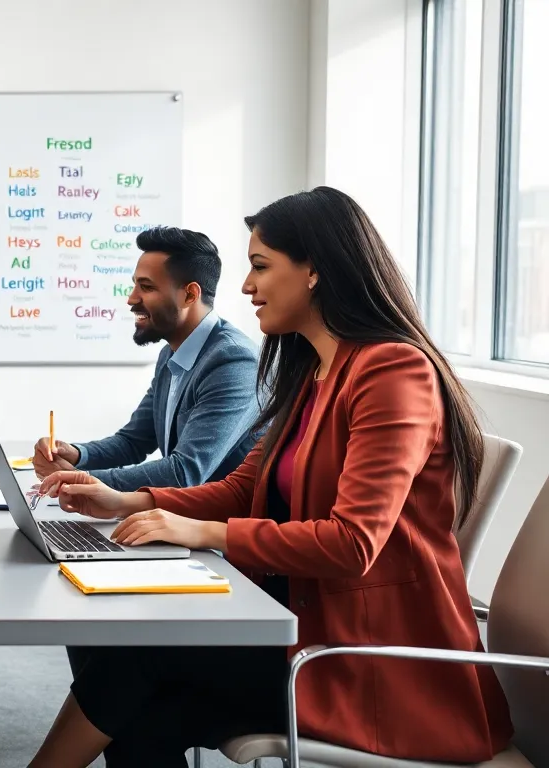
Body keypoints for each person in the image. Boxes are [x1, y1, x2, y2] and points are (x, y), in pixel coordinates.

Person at [28, 187, 512, 768]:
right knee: (135, 703)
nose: (245, 286)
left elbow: (353, 542)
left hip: (368, 664)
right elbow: (243, 487)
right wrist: (126, 501)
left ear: (315, 271)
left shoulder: (392, 370)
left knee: (137, 655)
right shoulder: (313, 372)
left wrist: (201, 533)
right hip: (304, 626)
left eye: (261, 266)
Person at [32, 226, 260, 491]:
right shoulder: (173, 354)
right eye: (134, 285)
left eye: (146, 287)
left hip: (221, 526)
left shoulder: (234, 361)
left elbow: (184, 472)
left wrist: (78, 480)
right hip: (181, 520)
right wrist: (76, 454)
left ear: (189, 295)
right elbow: (133, 442)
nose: (131, 298)